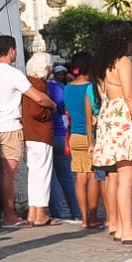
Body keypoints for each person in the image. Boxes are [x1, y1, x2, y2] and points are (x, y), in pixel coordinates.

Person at [89, 21, 132, 244]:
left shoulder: (104, 63)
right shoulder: (123, 61)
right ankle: (128, 230)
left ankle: (119, 227)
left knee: (117, 177)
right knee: (128, 178)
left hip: (109, 117)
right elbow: (129, 96)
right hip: (123, 118)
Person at [0, 34, 47, 228]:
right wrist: (52, 104)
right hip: (9, 126)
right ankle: (10, 215)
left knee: (3, 170)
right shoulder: (13, 73)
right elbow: (37, 97)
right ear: (12, 51)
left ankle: (6, 211)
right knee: (8, 173)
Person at [62, 52, 103, 229]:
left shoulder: (67, 88)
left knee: (80, 177)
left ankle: (84, 218)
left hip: (75, 136)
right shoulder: (92, 88)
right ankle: (93, 216)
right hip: (90, 136)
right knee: (93, 175)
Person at [20, 52, 59, 227]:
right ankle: (41, 213)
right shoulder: (39, 85)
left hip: (30, 134)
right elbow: (37, 111)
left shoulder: (27, 82)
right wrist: (51, 109)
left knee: (34, 174)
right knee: (43, 174)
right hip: (41, 134)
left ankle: (33, 212)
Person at [47, 63, 83, 223]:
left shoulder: (45, 87)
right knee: (67, 177)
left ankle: (57, 213)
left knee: (51, 177)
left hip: (49, 135)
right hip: (62, 134)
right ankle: (76, 211)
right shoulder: (64, 89)